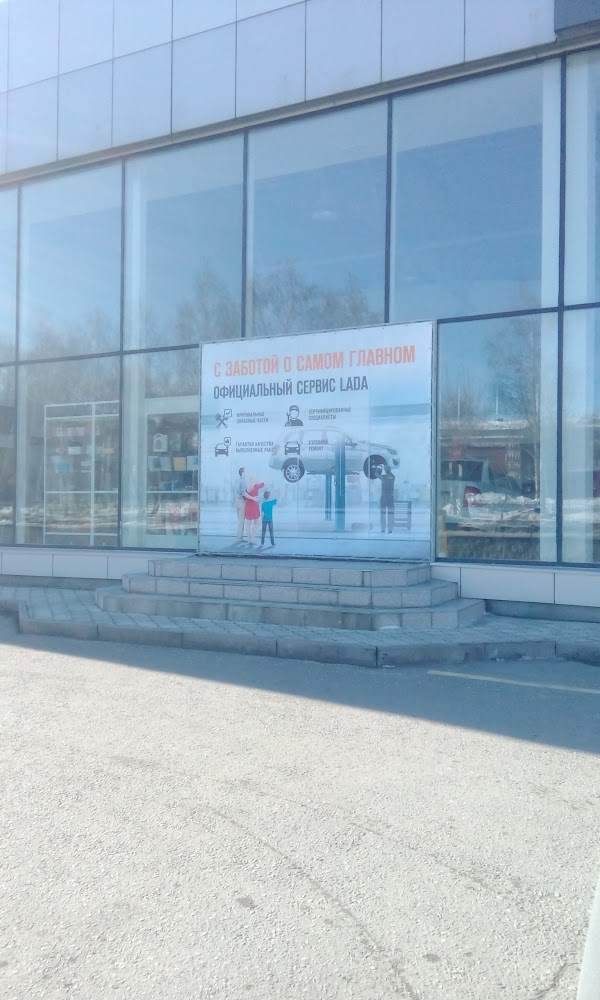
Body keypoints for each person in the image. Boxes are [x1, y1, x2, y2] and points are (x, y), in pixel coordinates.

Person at [243, 478, 265, 546]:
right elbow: (263, 484)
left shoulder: (246, 488)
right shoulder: (256, 486)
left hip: (248, 506)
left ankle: (249, 539)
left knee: (248, 524)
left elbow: (245, 497)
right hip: (254, 506)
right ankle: (252, 537)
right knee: (257, 523)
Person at [376, 462, 396, 533]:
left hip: (384, 498)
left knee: (382, 514)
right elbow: (390, 474)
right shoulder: (393, 477)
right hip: (391, 498)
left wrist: (378, 467)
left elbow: (376, 474)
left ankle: (383, 528)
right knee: (391, 514)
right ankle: (390, 529)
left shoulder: (383, 477)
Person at [234, 467, 247, 544]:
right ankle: (240, 538)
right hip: (242, 501)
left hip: (237, 501)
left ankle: (239, 537)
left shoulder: (237, 481)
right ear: (242, 473)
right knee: (241, 521)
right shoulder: (243, 482)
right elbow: (244, 493)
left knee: (239, 520)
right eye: (245, 472)